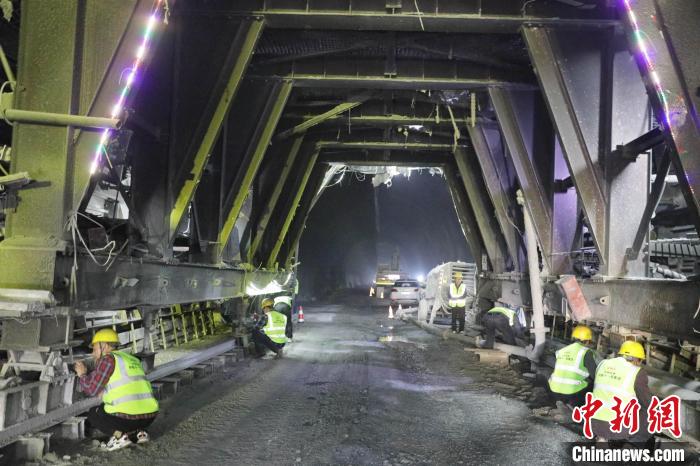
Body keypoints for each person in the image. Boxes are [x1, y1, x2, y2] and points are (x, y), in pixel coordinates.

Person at [74, 328, 159, 451]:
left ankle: (120, 437)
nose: (93, 353)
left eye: (95, 349)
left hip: (126, 419)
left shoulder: (108, 359)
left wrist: (82, 374)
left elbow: (91, 390)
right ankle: (140, 433)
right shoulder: (131, 359)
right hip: (149, 417)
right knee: (127, 410)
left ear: (104, 346)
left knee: (94, 414)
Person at [591, 340, 653, 447]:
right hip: (618, 429)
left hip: (594, 424)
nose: (640, 364)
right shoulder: (637, 372)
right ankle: (633, 445)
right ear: (636, 359)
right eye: (640, 361)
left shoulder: (602, 364)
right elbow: (648, 403)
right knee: (650, 410)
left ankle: (601, 438)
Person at [548, 324, 598, 408]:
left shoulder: (562, 350)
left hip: (554, 390)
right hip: (570, 393)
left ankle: (563, 404)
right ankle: (582, 407)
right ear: (587, 341)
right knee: (594, 382)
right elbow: (595, 375)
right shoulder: (585, 352)